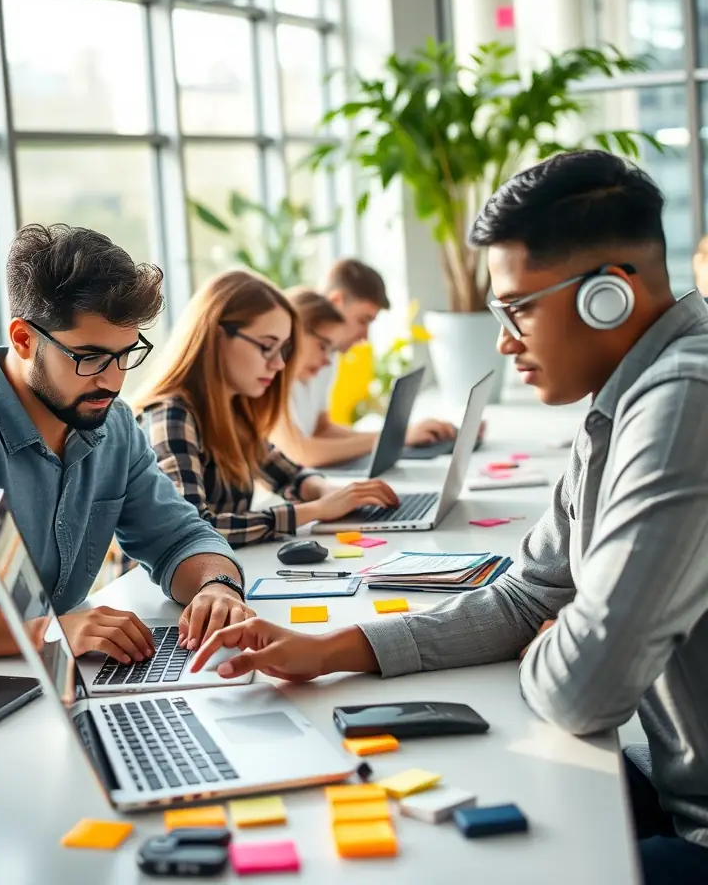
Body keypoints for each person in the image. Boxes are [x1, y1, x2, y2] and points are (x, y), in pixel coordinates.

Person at [194, 152, 708, 884]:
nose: (504, 340)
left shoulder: (683, 402)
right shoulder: (621, 403)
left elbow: (584, 689)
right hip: (668, 781)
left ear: (609, 297)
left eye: (519, 307)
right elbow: (530, 596)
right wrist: (333, 648)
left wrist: (561, 647)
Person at [0, 224, 255, 683]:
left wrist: (217, 587)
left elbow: (180, 537)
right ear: (24, 339)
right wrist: (50, 632)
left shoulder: (113, 424)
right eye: (89, 357)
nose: (112, 380)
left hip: (53, 686)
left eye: (126, 354)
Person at [132, 270, 399, 547]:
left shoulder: (233, 407)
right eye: (267, 347)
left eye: (283, 350)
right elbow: (194, 529)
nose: (280, 364)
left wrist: (325, 490)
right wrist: (317, 510)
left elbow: (286, 472)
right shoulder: (171, 414)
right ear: (217, 336)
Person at [271, 258, 456, 467]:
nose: (365, 337)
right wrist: (394, 439)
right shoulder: (274, 372)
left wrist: (395, 438)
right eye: (363, 320)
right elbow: (301, 453)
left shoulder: (323, 361)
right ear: (336, 302)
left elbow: (320, 430)